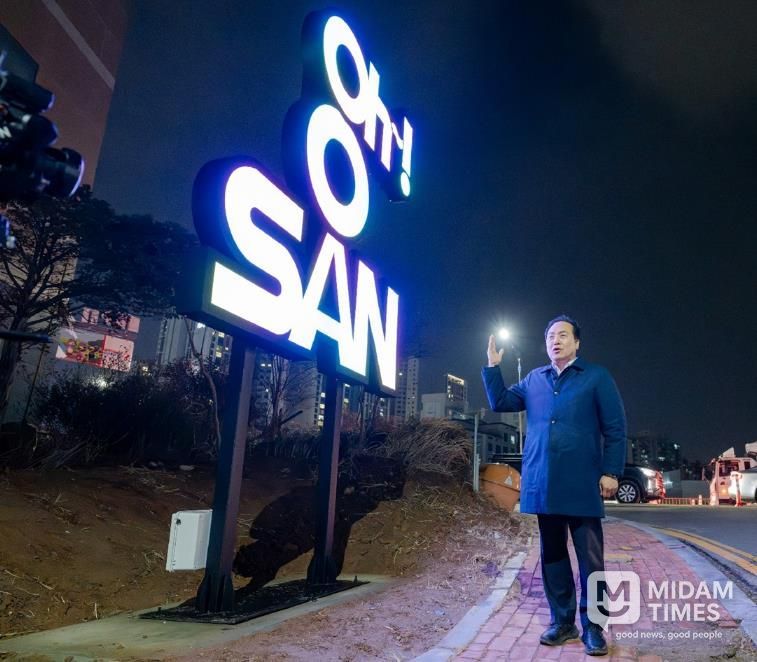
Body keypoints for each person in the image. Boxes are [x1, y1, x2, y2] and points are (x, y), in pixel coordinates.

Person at [481, 315, 626, 657]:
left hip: (582, 483)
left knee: (591, 560)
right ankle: (563, 622)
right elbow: (500, 403)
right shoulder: (535, 378)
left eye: (562, 335)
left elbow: (616, 428)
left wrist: (611, 471)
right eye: (550, 337)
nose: (555, 341)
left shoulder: (596, 377)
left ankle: (594, 628)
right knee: (553, 556)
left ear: (577, 342)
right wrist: (493, 367)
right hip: (543, 482)